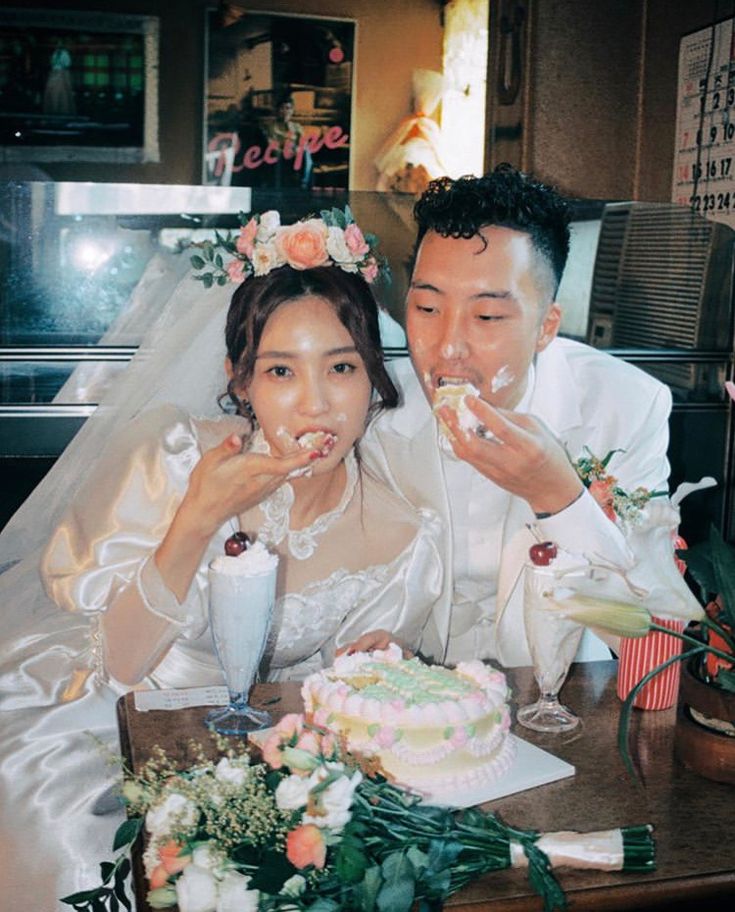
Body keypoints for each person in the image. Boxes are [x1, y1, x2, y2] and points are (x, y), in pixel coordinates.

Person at [0, 209, 441, 908]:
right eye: (280, 371)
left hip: (247, 751)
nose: (316, 404)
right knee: (79, 854)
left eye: (341, 367)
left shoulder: (398, 532)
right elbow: (116, 664)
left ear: (373, 379)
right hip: (95, 715)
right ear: (241, 381)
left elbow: (333, 713)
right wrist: (197, 515)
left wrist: (371, 670)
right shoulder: (175, 454)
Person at [362, 165, 673, 668]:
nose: (448, 346)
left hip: (559, 699)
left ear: (546, 326)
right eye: (426, 308)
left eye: (486, 316)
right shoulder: (376, 408)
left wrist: (558, 496)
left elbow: (648, 638)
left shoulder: (627, 408)